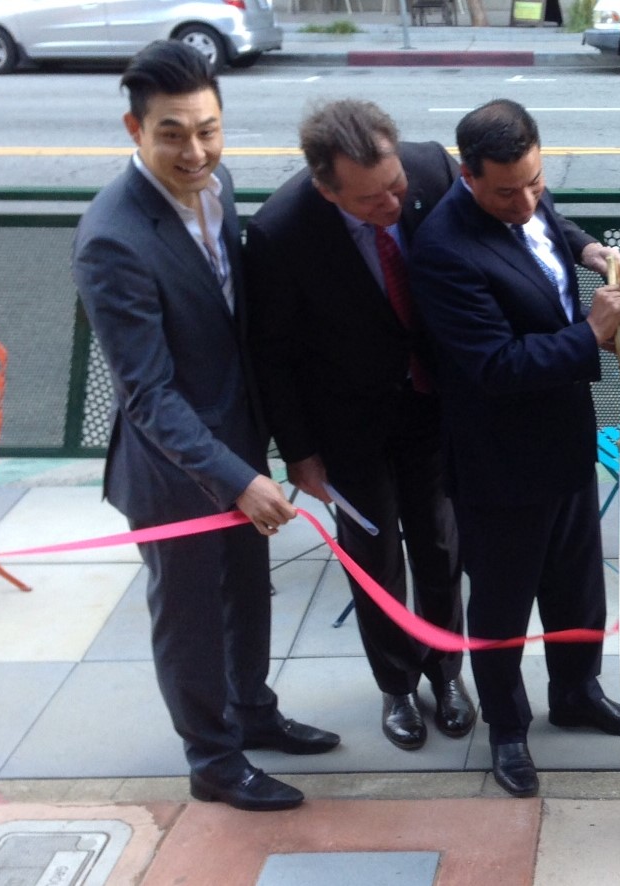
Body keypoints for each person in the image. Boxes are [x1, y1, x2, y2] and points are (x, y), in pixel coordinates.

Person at [72, 41, 339, 813]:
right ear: (135, 129)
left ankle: (252, 712)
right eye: (173, 134)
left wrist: (266, 450)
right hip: (172, 472)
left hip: (238, 441)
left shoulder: (216, 185)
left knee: (249, 593)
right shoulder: (113, 239)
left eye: (208, 130)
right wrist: (236, 478)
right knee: (189, 620)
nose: (195, 152)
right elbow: (148, 395)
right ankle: (214, 762)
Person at [409, 99, 620, 799]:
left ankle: (577, 692)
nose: (525, 202)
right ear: (467, 177)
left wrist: (588, 249)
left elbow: (549, 225)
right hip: (499, 462)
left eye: (535, 182)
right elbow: (494, 366)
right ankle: (508, 730)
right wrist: (592, 334)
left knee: (578, 584)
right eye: (505, 192)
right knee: (502, 606)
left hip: (565, 440)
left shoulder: (529, 196)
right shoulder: (443, 250)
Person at [244, 100, 478, 753]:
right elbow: (272, 356)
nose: (394, 204)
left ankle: (447, 671)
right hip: (347, 420)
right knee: (373, 556)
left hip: (431, 402)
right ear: (328, 190)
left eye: (395, 186)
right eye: (371, 199)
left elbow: (500, 223)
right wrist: (300, 454)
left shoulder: (432, 168)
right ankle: (396, 685)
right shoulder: (280, 232)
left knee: (439, 544)